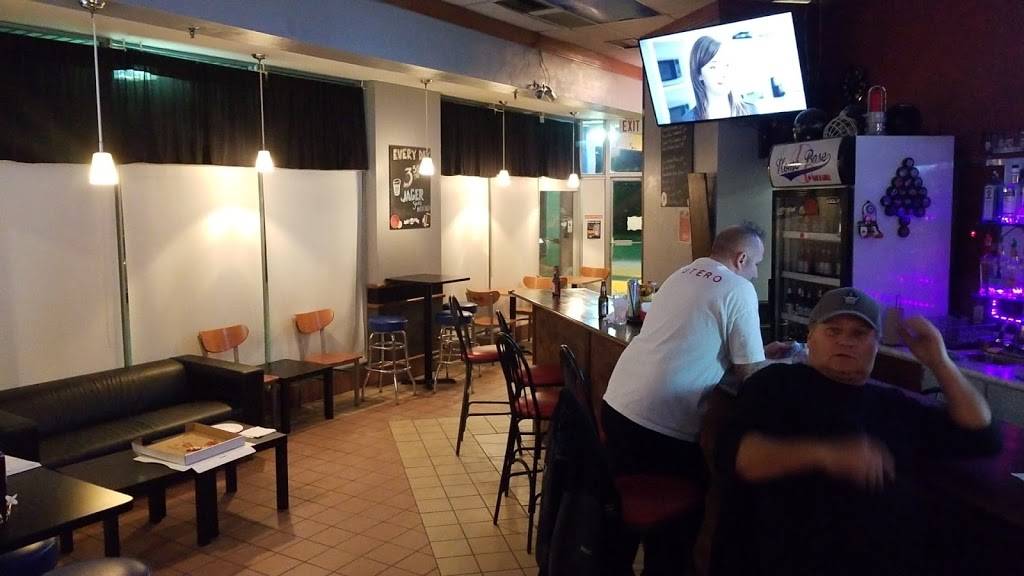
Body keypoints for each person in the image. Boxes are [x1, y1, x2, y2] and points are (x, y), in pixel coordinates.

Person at [712, 288, 1002, 576]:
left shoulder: (891, 404)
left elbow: (981, 435)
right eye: (833, 331)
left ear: (876, 345)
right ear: (810, 338)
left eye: (859, 334)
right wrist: (827, 455)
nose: (845, 341)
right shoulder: (774, 383)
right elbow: (737, 457)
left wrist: (939, 361)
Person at [601, 224, 789, 574]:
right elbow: (750, 374)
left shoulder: (682, 274)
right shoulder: (739, 288)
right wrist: (786, 367)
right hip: (659, 423)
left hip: (617, 406)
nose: (756, 273)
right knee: (682, 523)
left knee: (621, 518)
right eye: (756, 264)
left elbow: (699, 341)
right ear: (741, 259)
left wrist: (761, 352)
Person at [682, 36, 756, 121]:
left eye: (726, 65)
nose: (723, 73)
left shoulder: (751, 111)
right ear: (699, 74)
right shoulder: (689, 119)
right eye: (713, 67)